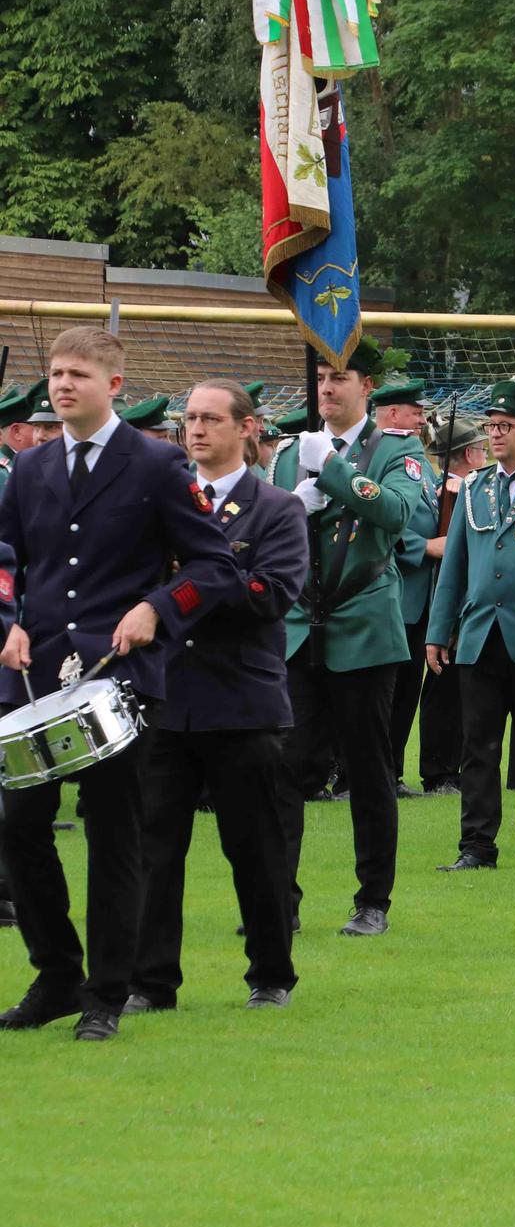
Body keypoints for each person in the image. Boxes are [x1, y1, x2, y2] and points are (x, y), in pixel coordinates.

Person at [0, 328, 240, 1041]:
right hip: (36, 673)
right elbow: (7, 561)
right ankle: (56, 973)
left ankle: (107, 993)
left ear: (114, 384)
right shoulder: (31, 468)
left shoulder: (158, 464)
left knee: (113, 834)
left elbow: (216, 568)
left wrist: (156, 609)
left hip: (119, 681)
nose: (61, 385)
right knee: (17, 829)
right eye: (55, 373)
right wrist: (7, 622)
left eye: (77, 373)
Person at [126, 379, 307, 1013]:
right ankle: (150, 984)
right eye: (189, 419)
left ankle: (270, 975)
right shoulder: (160, 506)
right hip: (165, 698)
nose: (195, 430)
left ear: (246, 428)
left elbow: (271, 598)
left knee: (255, 849)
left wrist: (184, 588)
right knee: (155, 851)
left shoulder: (276, 508)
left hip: (240, 704)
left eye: (210, 419)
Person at [269, 336, 427, 938]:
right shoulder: (290, 455)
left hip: (361, 625)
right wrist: (291, 502)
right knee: (283, 768)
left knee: (368, 769)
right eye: (323, 379)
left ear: (367, 388)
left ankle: (373, 901)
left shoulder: (396, 449)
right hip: (299, 629)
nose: (328, 388)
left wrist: (331, 472)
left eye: (342, 377)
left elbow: (399, 515)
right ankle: (278, 896)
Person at [425, 381, 515, 873]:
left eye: (506, 426)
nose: (495, 435)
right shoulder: (476, 487)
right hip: (480, 633)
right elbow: (456, 563)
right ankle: (476, 846)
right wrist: (437, 630)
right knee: (477, 747)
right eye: (491, 427)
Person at [385, 387, 473, 799]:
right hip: (396, 596)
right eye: (415, 412)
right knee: (387, 695)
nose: (422, 420)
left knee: (405, 695)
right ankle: (376, 772)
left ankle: (394, 773)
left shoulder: (418, 466)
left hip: (422, 600)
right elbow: (386, 528)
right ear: (391, 412)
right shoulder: (379, 460)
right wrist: (427, 548)